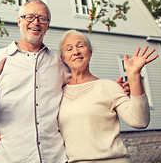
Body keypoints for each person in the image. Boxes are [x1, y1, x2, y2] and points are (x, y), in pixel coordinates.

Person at [0, 0, 129, 163]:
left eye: (42, 18)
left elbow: (80, 87)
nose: (36, 22)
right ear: (19, 21)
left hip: (56, 158)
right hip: (12, 157)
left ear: (47, 25)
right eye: (30, 17)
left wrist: (111, 90)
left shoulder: (60, 62)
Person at [57, 30, 155, 162]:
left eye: (80, 46)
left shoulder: (109, 86)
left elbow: (140, 121)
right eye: (69, 49)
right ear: (63, 58)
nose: (76, 52)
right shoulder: (57, 94)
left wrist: (133, 75)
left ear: (90, 52)